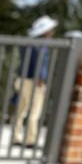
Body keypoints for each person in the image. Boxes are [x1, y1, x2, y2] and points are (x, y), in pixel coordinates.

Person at [13, 15, 58, 146]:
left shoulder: (28, 43)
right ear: (45, 31)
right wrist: (40, 80)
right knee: (34, 112)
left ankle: (15, 138)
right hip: (33, 81)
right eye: (50, 29)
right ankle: (30, 140)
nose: (52, 32)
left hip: (21, 79)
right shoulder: (41, 46)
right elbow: (39, 64)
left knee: (20, 111)